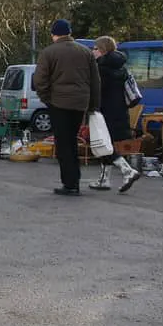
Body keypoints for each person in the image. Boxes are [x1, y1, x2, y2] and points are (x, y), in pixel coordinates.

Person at [33, 19, 100, 196]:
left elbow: (40, 80)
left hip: (59, 103)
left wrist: (48, 99)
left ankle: (70, 183)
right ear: (69, 33)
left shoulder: (49, 52)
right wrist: (92, 105)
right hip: (80, 104)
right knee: (72, 140)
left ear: (54, 34)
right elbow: (95, 81)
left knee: (63, 144)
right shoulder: (86, 52)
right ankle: (74, 180)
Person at [87, 36, 141, 192]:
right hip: (120, 111)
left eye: (95, 48)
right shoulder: (122, 68)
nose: (93, 51)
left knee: (104, 145)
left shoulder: (100, 69)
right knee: (106, 144)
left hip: (104, 112)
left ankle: (128, 171)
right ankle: (104, 180)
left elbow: (96, 91)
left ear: (103, 50)